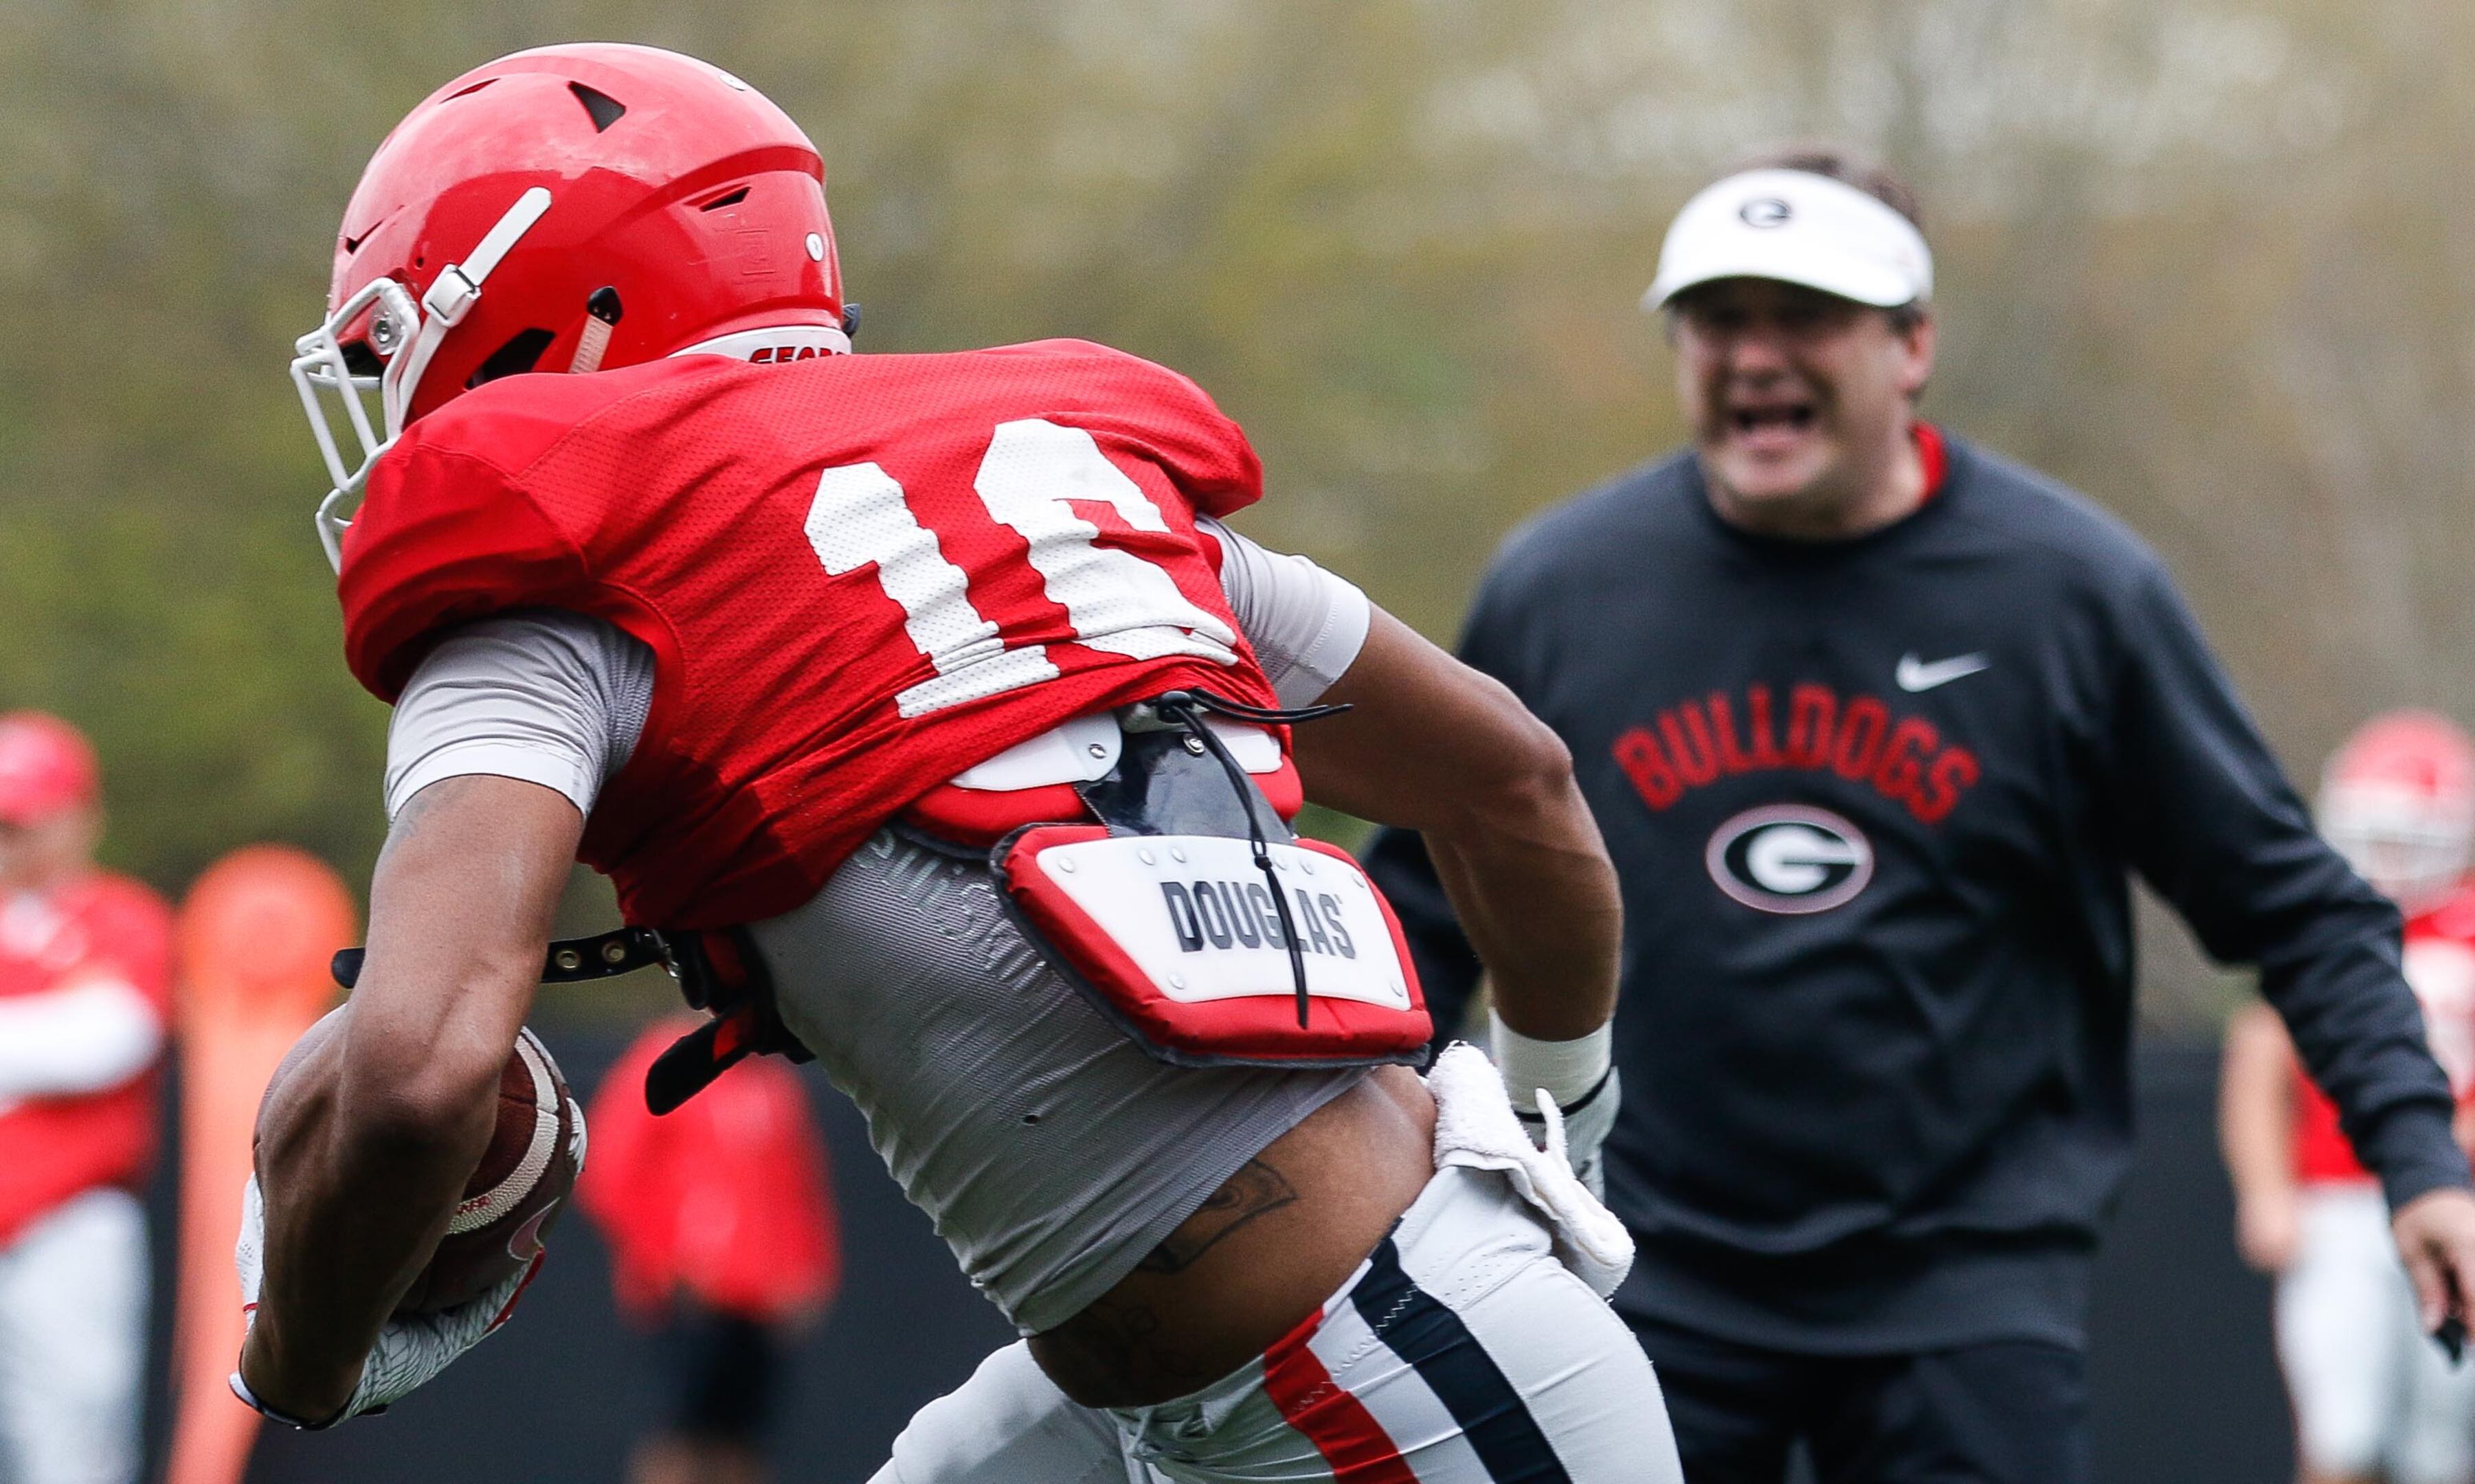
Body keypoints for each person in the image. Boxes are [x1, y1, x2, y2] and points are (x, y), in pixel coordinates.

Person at [229, 43, 1680, 1483]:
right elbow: (1516, 783)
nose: (389, 390)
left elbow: (419, 1075)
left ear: (556, 308)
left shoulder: (551, 595)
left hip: (1401, 1379)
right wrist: (1568, 1123)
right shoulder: (1070, 488)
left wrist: (298, 1353)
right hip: (1284, 1355)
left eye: (392, 335)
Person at [1363, 144, 2475, 1483]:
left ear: (1911, 345)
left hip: (1964, 1289)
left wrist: (2421, 1162)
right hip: (1636, 1258)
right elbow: (1425, 911)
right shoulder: (1565, 588)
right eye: (1720, 321)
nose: (1754, 356)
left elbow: (2298, 909)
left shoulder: (2068, 594)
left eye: (1804, 319)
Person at [2221, 711, 2475, 1484]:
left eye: (2410, 838)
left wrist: (2431, 1154)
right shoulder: (2319, 925)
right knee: (2340, 1435)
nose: (2388, 858)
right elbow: (2257, 1062)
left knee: (2441, 1451)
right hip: (2338, 1206)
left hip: (2469, 1201)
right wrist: (2265, 1191)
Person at [0, 711, 172, 1484]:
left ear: (80, 818)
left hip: (66, 1226)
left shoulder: (121, 916)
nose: (13, 841)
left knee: (74, 1440)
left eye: (26, 821)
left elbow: (108, 1041)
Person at [579, 1015, 843, 1484]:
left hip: (761, 1301)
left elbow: (797, 1188)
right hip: (691, 1299)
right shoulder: (662, 1062)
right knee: (679, 1434)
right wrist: (667, 1260)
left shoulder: (771, 1081)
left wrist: (809, 1271)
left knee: (743, 1440)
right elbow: (607, 1173)